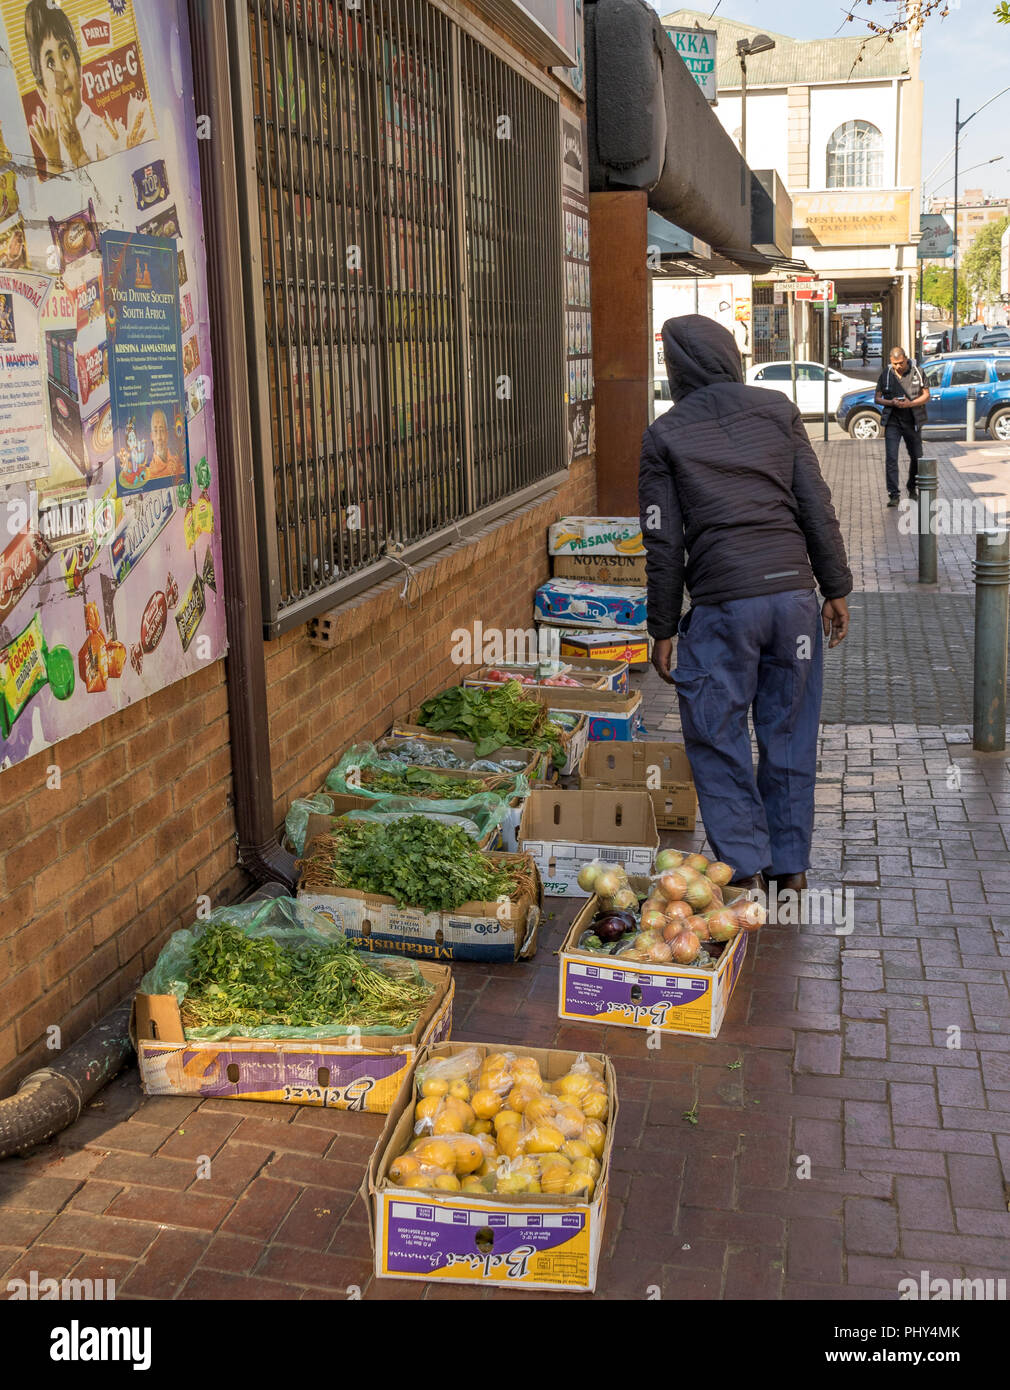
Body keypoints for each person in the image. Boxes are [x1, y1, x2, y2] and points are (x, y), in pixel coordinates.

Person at [639, 315, 852, 894]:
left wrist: (662, 628)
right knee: (789, 733)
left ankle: (745, 866)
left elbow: (663, 542)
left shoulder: (664, 434)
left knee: (718, 734)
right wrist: (835, 587)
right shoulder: (776, 409)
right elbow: (815, 503)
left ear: (677, 369)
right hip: (792, 603)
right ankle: (792, 867)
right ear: (728, 355)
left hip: (724, 607)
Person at [23, 0, 151, 174]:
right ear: (43, 91)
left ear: (80, 68)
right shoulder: (48, 148)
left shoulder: (105, 131)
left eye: (66, 54)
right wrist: (53, 157)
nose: (62, 73)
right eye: (51, 62)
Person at [875, 346, 930, 508]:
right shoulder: (886, 375)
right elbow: (877, 398)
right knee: (891, 458)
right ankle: (894, 494)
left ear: (906, 358)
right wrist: (890, 402)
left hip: (912, 421)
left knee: (916, 456)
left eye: (900, 363)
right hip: (893, 421)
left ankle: (912, 487)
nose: (898, 366)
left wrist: (910, 404)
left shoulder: (917, 372)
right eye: (894, 364)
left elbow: (927, 395)